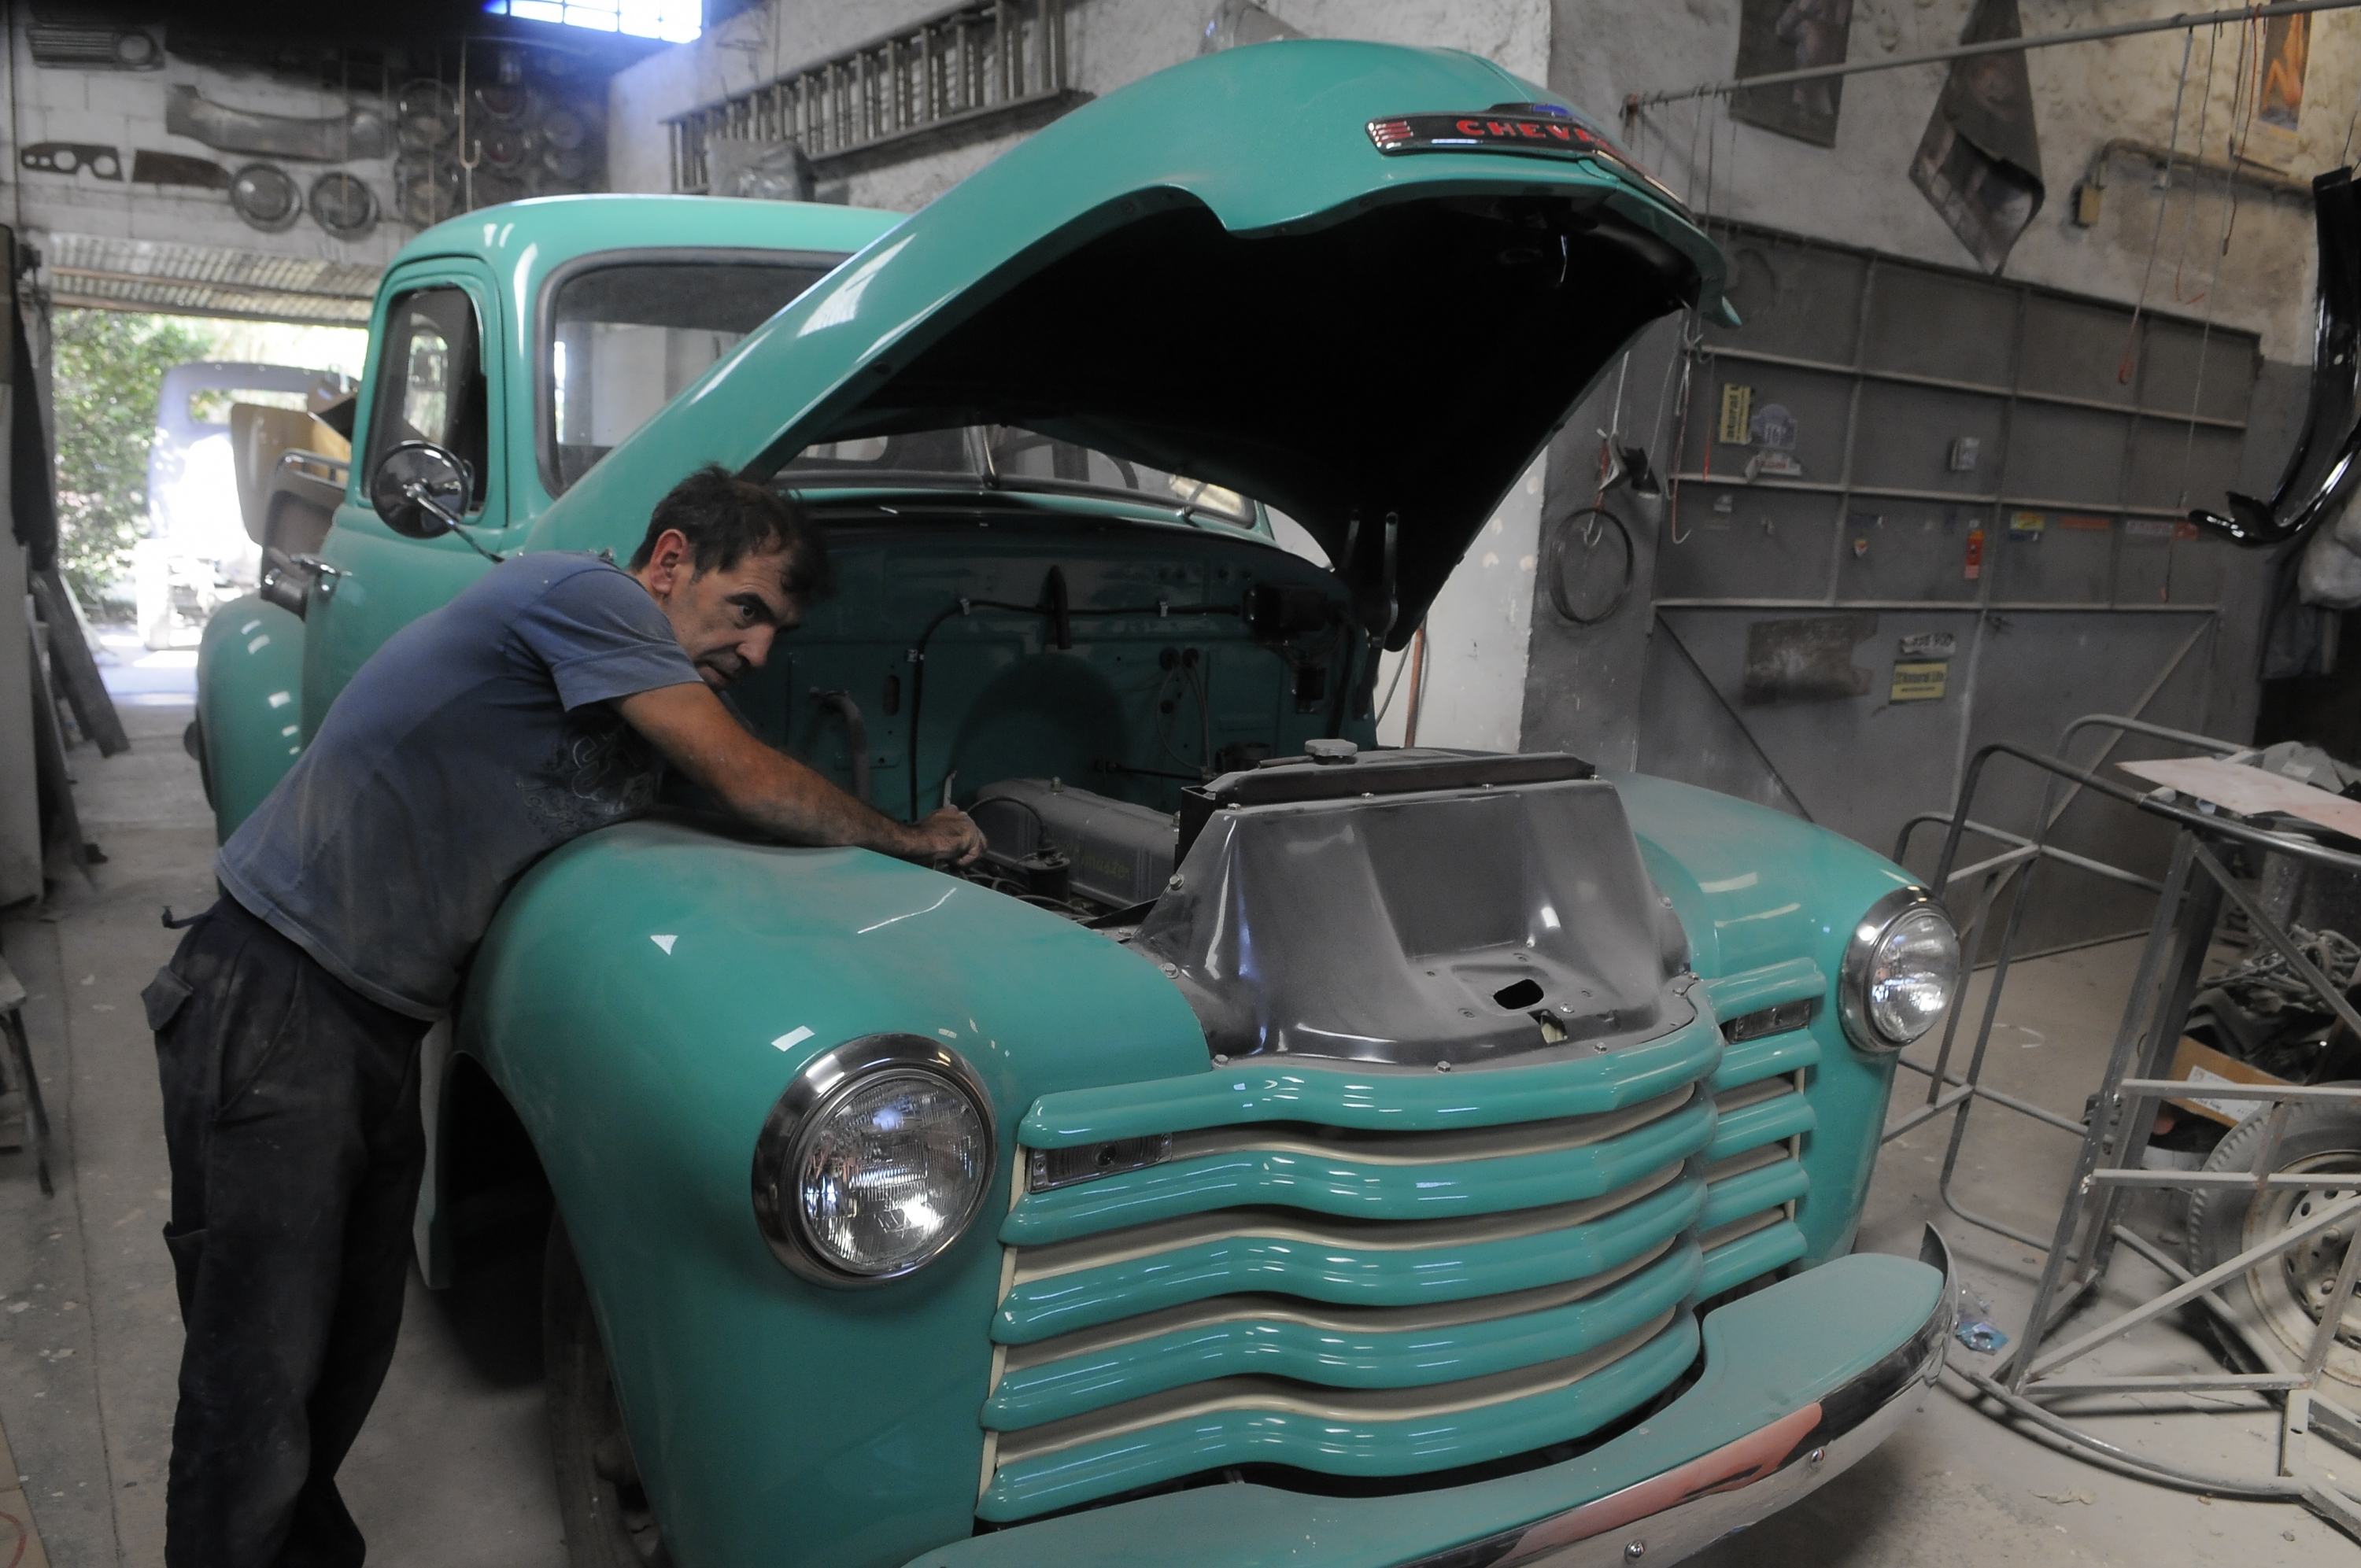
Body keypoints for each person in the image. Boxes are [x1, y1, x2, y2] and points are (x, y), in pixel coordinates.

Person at [140, 465, 980, 1566]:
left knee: (337, 1358)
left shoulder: (626, 686)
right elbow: (748, 780)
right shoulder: (584, 599)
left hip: (374, 1021)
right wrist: (915, 837)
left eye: (779, 627)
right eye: (749, 610)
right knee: (252, 1388)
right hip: (278, 994)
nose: (762, 651)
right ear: (671, 560)